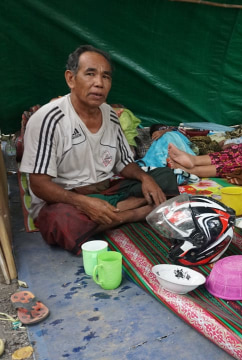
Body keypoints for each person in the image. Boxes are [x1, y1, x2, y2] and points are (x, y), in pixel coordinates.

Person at [20, 45, 179, 253]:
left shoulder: (111, 116)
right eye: (90, 74)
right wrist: (83, 203)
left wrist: (145, 178)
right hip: (66, 199)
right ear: (70, 79)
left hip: (106, 190)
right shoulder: (49, 119)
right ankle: (134, 213)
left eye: (106, 77)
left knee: (165, 177)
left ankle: (111, 214)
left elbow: (124, 163)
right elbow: (39, 184)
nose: (99, 83)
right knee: (63, 221)